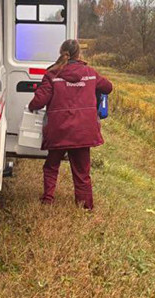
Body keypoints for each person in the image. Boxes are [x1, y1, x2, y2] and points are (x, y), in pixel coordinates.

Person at [28, 39, 113, 210]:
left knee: (51, 166)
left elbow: (39, 101)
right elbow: (108, 87)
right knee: (82, 172)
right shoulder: (90, 73)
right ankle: (85, 207)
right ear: (78, 54)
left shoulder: (52, 74)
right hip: (83, 131)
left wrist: (31, 107)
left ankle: (47, 200)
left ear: (61, 53)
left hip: (59, 130)